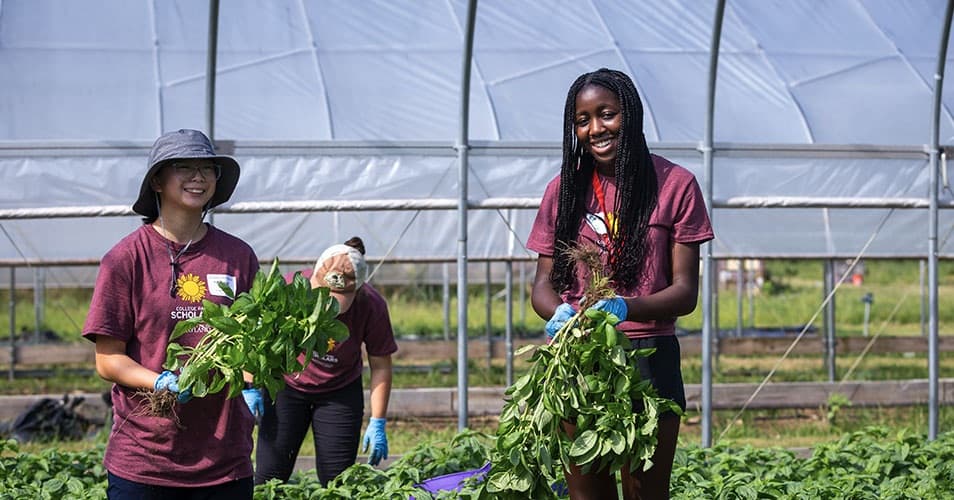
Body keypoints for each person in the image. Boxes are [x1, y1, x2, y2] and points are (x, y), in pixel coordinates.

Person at [525, 68, 714, 500]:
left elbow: (685, 292)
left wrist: (626, 308)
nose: (595, 129)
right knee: (587, 493)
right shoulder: (564, 191)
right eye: (583, 120)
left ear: (629, 113)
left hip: (649, 358)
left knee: (645, 491)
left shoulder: (675, 184)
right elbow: (541, 284)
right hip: (578, 359)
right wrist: (557, 312)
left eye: (606, 114)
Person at [83, 129, 261, 499]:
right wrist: (160, 383)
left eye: (207, 168)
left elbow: (251, 339)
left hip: (223, 460)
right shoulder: (126, 258)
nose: (198, 176)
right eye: (184, 167)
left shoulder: (237, 256)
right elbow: (108, 359)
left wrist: (255, 372)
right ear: (158, 182)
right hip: (146, 460)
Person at [253, 236, 398, 486]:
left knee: (336, 481)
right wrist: (250, 385)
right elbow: (257, 339)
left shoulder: (371, 306)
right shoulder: (288, 288)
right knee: (269, 477)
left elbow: (381, 366)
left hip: (339, 391)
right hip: (287, 385)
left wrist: (378, 420)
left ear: (358, 288)